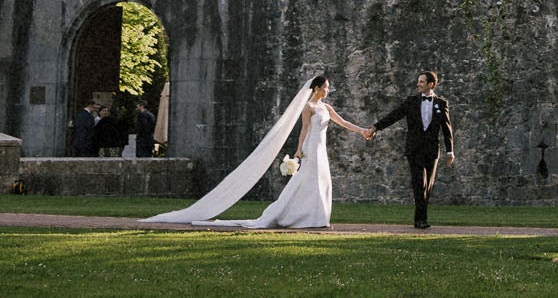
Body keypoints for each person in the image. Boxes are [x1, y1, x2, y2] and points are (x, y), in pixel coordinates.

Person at [145, 75, 368, 229]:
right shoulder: (308, 108)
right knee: (307, 182)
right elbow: (304, 131)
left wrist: (362, 131)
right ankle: (305, 217)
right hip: (311, 148)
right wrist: (299, 151)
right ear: (317, 88)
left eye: (328, 87)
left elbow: (344, 122)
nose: (328, 90)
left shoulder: (326, 108)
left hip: (322, 150)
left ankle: (317, 217)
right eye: (326, 87)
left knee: (322, 181)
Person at [369, 71, 456, 230]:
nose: (418, 84)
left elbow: (446, 128)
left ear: (431, 84)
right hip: (414, 149)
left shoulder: (442, 104)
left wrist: (450, 151)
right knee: (419, 183)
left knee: (428, 185)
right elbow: (394, 116)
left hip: (431, 150)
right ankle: (420, 220)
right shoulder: (411, 102)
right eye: (418, 81)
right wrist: (375, 127)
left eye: (422, 82)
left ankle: (421, 218)